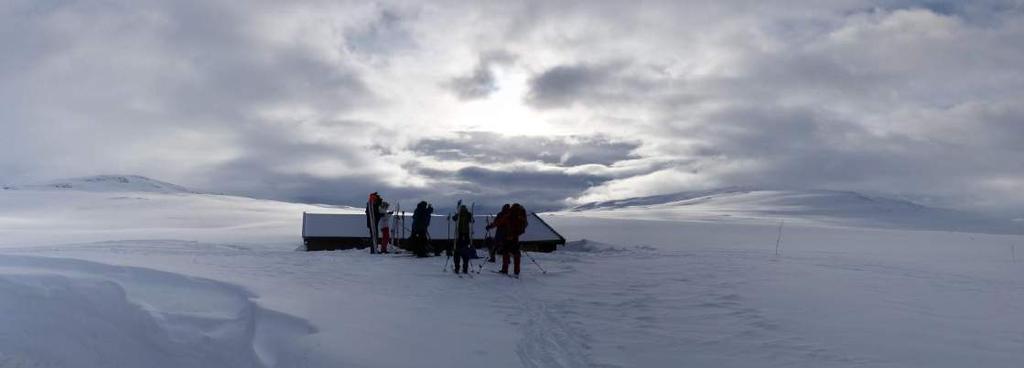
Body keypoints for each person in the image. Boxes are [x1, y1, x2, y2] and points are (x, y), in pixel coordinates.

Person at [499, 203, 528, 276]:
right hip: (516, 237)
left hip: (508, 236)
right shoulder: (521, 215)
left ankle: (505, 269)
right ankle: (516, 271)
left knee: (505, 253)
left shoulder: (509, 214)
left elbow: (501, 222)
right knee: (516, 254)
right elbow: (525, 224)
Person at [450, 204, 474, 274]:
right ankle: (464, 268)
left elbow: (454, 218)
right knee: (465, 251)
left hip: (460, 235)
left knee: (458, 251)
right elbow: (472, 221)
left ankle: (458, 268)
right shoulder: (465, 214)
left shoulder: (461, 214)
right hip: (464, 235)